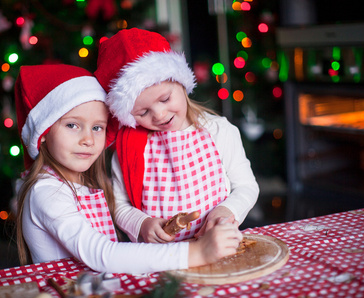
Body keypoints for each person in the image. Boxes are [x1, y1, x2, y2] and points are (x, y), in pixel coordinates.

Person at [14, 64, 243, 274]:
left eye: (97, 127)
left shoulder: (80, 183)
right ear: (43, 133)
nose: (88, 139)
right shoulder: (46, 192)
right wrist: (197, 252)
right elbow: (101, 255)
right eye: (72, 125)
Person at [94, 28, 259, 244]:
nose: (160, 115)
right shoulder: (129, 149)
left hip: (215, 246)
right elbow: (119, 204)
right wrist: (141, 223)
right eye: (143, 112)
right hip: (160, 256)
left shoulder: (219, 131)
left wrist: (227, 211)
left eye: (165, 99)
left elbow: (246, 186)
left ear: (181, 84)